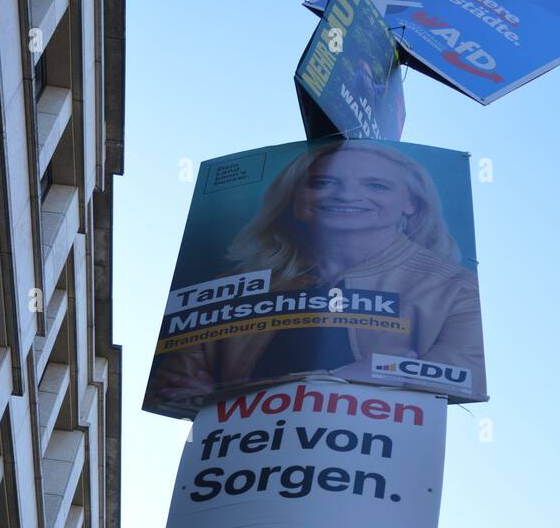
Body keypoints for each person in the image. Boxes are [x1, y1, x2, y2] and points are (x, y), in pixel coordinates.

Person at [146, 139, 484, 407]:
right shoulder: (232, 287)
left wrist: (225, 395)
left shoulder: (453, 286)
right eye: (323, 182)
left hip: (368, 466)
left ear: (412, 203)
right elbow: (171, 390)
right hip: (245, 464)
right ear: (294, 199)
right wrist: (347, 377)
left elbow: (462, 376)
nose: (346, 195)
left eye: (377, 186)